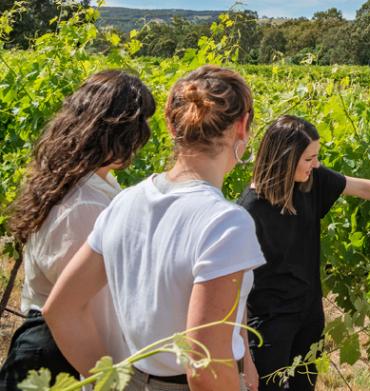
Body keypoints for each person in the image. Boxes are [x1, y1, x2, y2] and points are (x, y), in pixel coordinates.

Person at [44, 65, 265, 391]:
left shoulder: (125, 202)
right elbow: (204, 370)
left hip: (135, 379)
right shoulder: (225, 222)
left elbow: (60, 309)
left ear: (169, 122)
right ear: (242, 127)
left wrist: (111, 384)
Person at [237, 115, 370, 391]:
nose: (315, 164)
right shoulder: (248, 212)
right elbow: (238, 293)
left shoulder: (310, 184)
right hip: (270, 328)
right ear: (285, 158)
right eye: (308, 159)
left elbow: (362, 187)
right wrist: (246, 359)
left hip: (309, 318)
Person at [0, 71, 155, 391]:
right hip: (65, 364)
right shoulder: (83, 206)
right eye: (141, 127)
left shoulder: (81, 181)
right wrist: (111, 383)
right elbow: (80, 312)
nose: (146, 137)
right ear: (118, 132)